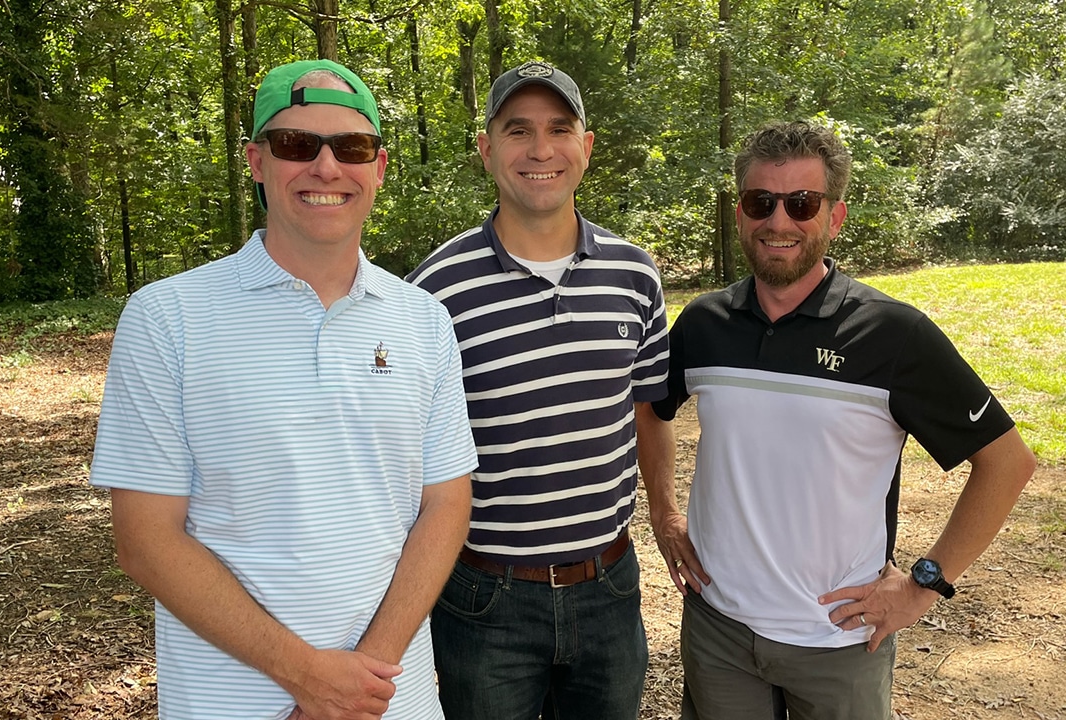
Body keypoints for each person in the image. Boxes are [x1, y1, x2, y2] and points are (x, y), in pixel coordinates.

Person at [89, 59, 477, 720]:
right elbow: (146, 539)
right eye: (297, 144)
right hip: (229, 704)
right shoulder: (167, 317)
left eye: (352, 147)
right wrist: (305, 677)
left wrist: (358, 685)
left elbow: (445, 505)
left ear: (379, 167)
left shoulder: (424, 320)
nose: (326, 167)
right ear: (257, 161)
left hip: (392, 700)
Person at [652, 120, 1037, 720]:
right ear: (740, 213)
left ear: (835, 217)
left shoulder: (893, 334)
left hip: (839, 638)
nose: (779, 221)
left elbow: (1008, 463)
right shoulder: (703, 325)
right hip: (718, 629)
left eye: (802, 203)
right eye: (761, 202)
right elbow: (651, 409)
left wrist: (924, 585)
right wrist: (664, 512)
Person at [407, 61, 694, 720]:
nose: (540, 150)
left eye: (559, 129)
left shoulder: (635, 275)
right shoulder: (435, 290)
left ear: (585, 147)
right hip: (484, 598)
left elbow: (648, 409)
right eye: (518, 131)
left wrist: (665, 512)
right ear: (486, 150)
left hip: (608, 588)